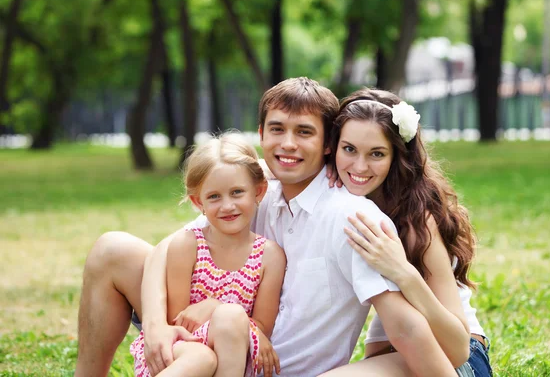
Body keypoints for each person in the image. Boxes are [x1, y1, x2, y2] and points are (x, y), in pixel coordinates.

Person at [75, 77, 459, 377]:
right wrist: (156, 325)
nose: (288, 143)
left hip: (273, 365)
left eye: (304, 132)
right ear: (260, 135)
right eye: (277, 129)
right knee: (113, 249)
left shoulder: (352, 217)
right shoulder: (257, 192)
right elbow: (172, 246)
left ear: (328, 143)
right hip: (210, 347)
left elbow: (406, 328)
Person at [318, 88, 492, 376]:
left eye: (376, 153)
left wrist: (402, 271)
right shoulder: (335, 197)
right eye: (349, 149)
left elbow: (458, 345)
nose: (359, 166)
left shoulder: (416, 221)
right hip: (398, 351)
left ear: (396, 156)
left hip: (458, 360)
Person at [127, 132, 286, 377]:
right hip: (184, 350)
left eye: (237, 192)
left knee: (231, 315)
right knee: (202, 357)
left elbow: (262, 326)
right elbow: (177, 322)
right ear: (198, 202)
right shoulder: (188, 245)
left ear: (259, 192)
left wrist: (216, 307)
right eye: (214, 197)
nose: (227, 206)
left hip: (234, 353)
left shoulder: (270, 256)